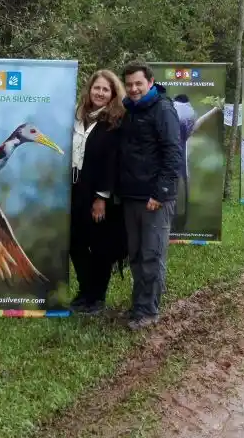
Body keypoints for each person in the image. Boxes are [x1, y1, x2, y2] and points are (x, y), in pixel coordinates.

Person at [116, 62, 184, 331]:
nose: (133, 89)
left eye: (138, 84)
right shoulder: (129, 110)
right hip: (131, 196)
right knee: (135, 255)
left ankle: (149, 310)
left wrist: (161, 193)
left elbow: (173, 154)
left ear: (151, 82)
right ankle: (139, 304)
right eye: (129, 84)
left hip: (154, 198)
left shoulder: (163, 110)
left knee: (151, 254)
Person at [69, 69, 128, 315]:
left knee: (100, 245)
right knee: (75, 242)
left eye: (105, 89)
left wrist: (101, 197)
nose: (100, 93)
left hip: (98, 193)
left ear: (113, 93)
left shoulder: (114, 122)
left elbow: (112, 162)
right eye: (97, 88)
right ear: (89, 90)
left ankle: (97, 297)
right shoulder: (76, 117)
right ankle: (85, 291)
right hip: (74, 188)